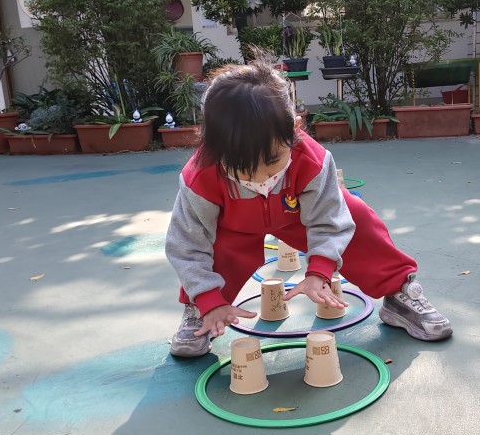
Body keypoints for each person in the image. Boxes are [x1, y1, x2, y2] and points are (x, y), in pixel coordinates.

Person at [165, 60, 452, 356]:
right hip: (232, 225)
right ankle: (201, 311)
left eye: (272, 161)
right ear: (212, 148)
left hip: (296, 215)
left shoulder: (312, 160)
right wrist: (208, 299)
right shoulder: (199, 178)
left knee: (355, 215)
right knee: (215, 247)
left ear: (295, 130)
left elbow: (329, 220)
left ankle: (398, 292)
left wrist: (320, 270)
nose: (261, 177)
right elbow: (187, 245)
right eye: (243, 168)